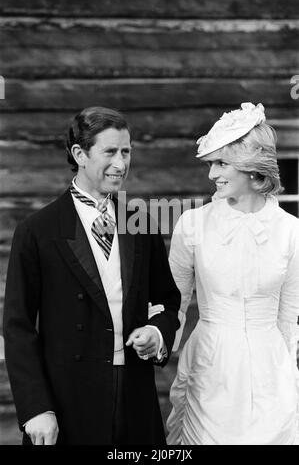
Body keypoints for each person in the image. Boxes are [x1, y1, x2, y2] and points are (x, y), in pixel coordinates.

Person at [3, 106, 180, 445]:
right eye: (110, 151)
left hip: (135, 399)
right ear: (79, 154)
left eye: (126, 151)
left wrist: (157, 332)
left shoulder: (140, 223)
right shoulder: (38, 231)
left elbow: (168, 300)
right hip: (67, 403)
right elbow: (18, 327)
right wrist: (36, 408)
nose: (121, 163)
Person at [166, 102, 299, 445]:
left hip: (271, 370)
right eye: (210, 164)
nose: (211, 174)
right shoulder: (192, 224)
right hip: (211, 366)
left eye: (222, 163)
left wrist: (289, 378)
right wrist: (159, 348)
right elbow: (173, 306)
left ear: (254, 169)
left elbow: (289, 316)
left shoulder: (291, 232)